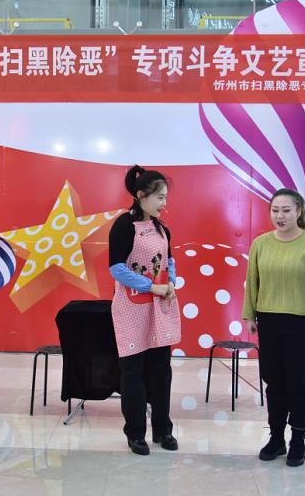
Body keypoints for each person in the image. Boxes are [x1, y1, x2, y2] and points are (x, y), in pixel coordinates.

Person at [242, 188, 305, 467]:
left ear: (299, 211)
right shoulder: (261, 243)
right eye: (275, 210)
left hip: (301, 322)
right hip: (268, 320)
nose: (279, 216)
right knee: (273, 381)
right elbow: (252, 282)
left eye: (286, 210)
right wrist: (249, 315)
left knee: (298, 382)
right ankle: (276, 438)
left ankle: (298, 439)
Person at [108, 165, 180, 456]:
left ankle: (163, 430)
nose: (164, 203)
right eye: (160, 197)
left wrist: (171, 281)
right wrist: (152, 287)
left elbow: (169, 261)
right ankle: (135, 433)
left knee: (162, 371)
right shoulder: (123, 226)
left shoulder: (163, 229)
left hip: (159, 307)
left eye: (165, 197)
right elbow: (117, 269)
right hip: (131, 309)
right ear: (141, 196)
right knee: (133, 373)